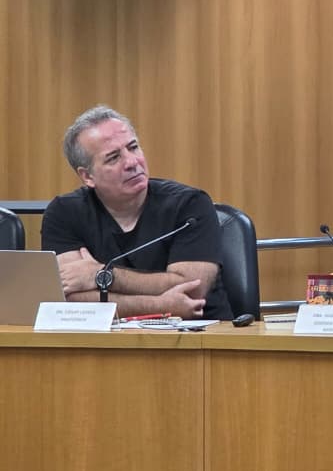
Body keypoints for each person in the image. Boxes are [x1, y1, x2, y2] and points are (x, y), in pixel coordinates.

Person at [41, 105, 232, 320]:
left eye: (133, 147)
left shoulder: (190, 205)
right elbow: (69, 299)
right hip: (106, 345)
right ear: (87, 176)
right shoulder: (64, 213)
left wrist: (101, 276)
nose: (132, 162)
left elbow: (191, 291)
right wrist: (162, 305)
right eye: (113, 157)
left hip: (199, 342)